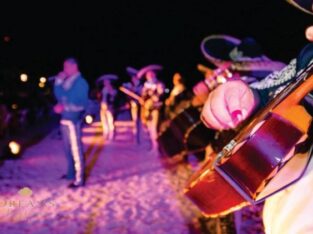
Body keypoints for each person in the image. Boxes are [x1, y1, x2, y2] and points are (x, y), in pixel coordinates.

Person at [53, 58, 89, 188]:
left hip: (74, 119)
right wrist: (57, 82)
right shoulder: (67, 82)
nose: (64, 70)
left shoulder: (81, 82)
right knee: (67, 149)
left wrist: (64, 105)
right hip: (65, 118)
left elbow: (80, 102)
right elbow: (60, 96)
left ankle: (79, 179)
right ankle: (70, 173)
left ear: (74, 67)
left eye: (66, 67)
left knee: (76, 149)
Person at [141, 70, 165, 151]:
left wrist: (155, 96)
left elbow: (160, 96)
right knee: (149, 128)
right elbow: (143, 97)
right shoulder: (146, 86)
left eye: (151, 74)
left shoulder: (159, 84)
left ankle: (157, 148)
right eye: (148, 75)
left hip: (155, 109)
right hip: (147, 110)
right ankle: (153, 146)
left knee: (154, 128)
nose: (150, 76)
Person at [98, 74, 118, 140]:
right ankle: (105, 133)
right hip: (103, 105)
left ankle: (111, 134)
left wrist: (110, 89)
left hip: (109, 106)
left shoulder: (112, 89)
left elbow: (114, 96)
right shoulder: (103, 89)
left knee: (110, 120)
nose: (105, 83)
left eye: (106, 81)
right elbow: (101, 97)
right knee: (104, 120)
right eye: (104, 82)